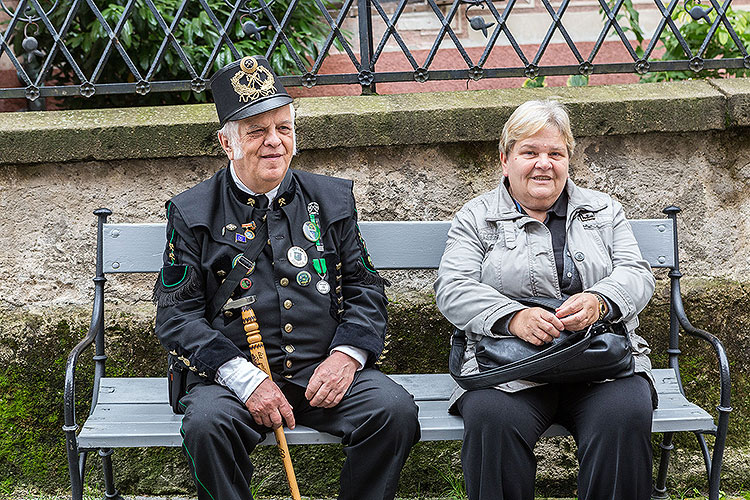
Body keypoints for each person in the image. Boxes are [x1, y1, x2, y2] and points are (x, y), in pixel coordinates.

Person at [153, 55, 420, 500]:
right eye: (257, 131)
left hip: (323, 369)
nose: (274, 142)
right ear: (226, 142)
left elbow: (364, 287)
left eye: (284, 128)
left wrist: (347, 357)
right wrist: (245, 379)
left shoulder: (331, 199)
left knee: (393, 411)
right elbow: (176, 316)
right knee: (206, 426)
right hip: (231, 381)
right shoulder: (192, 213)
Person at [434, 99, 657, 500]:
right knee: (492, 420)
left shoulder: (604, 211)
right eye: (529, 152)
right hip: (507, 370)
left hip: (601, 364)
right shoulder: (476, 217)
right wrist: (513, 317)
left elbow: (637, 274)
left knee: (625, 415)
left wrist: (600, 301)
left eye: (555, 153)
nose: (543, 163)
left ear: (568, 159)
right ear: (505, 160)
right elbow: (452, 287)